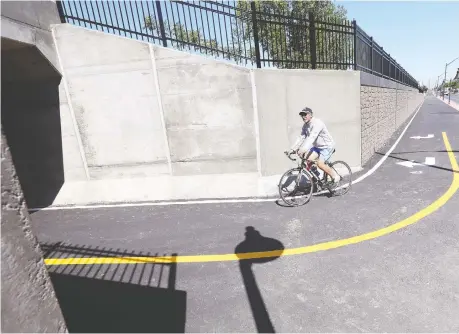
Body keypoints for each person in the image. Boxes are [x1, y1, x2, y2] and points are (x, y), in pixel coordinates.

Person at [287, 107, 341, 186]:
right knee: (307, 158)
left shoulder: (317, 123)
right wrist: (293, 149)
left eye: (305, 114)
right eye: (302, 115)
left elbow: (312, 137)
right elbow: (301, 137)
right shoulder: (306, 125)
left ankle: (335, 176)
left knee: (320, 164)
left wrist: (303, 149)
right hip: (317, 147)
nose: (303, 116)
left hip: (327, 146)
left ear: (310, 115)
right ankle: (316, 175)